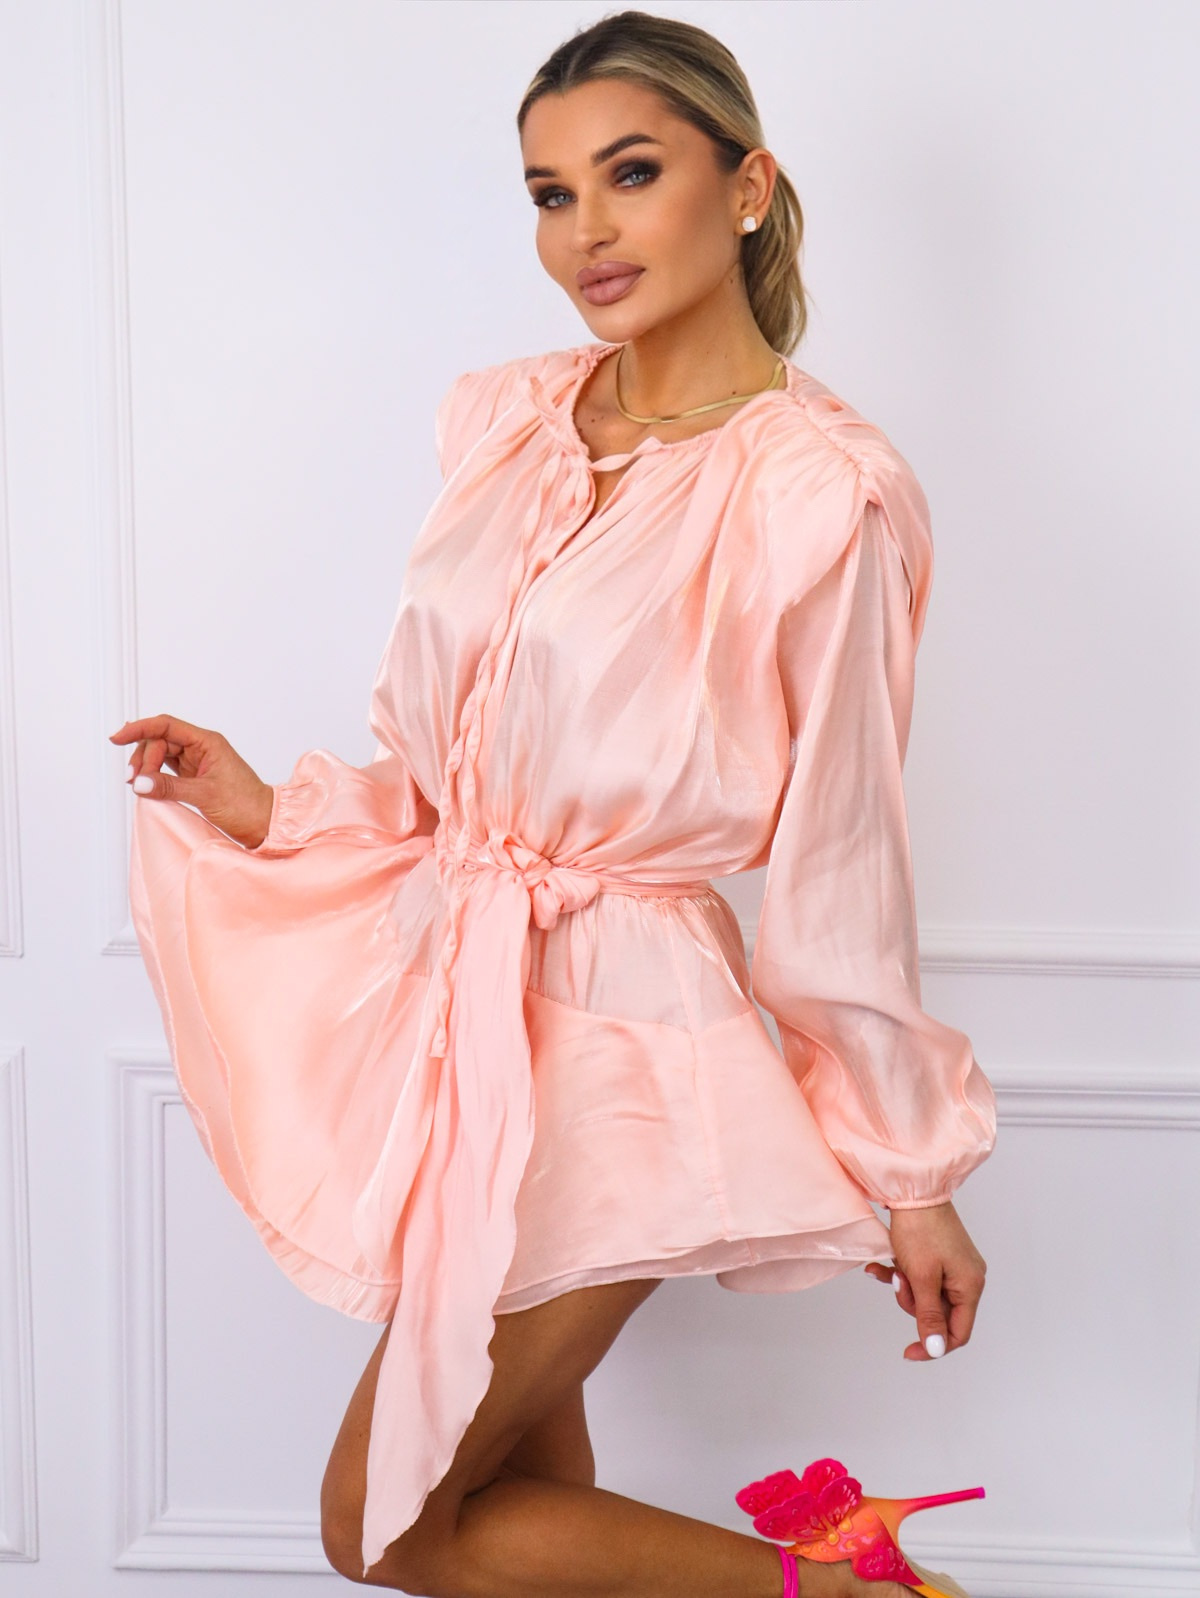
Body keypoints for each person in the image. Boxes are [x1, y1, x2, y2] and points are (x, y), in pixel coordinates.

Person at [109, 11, 996, 1597]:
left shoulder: (820, 491)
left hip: (628, 1041)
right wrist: (270, 806)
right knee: (508, 1492)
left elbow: (845, 844)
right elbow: (462, 766)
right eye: (549, 192)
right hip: (463, 1020)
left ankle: (871, 1593)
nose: (586, 229)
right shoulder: (504, 422)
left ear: (747, 187)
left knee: (386, 1523)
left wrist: (913, 1170)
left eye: (632, 173)